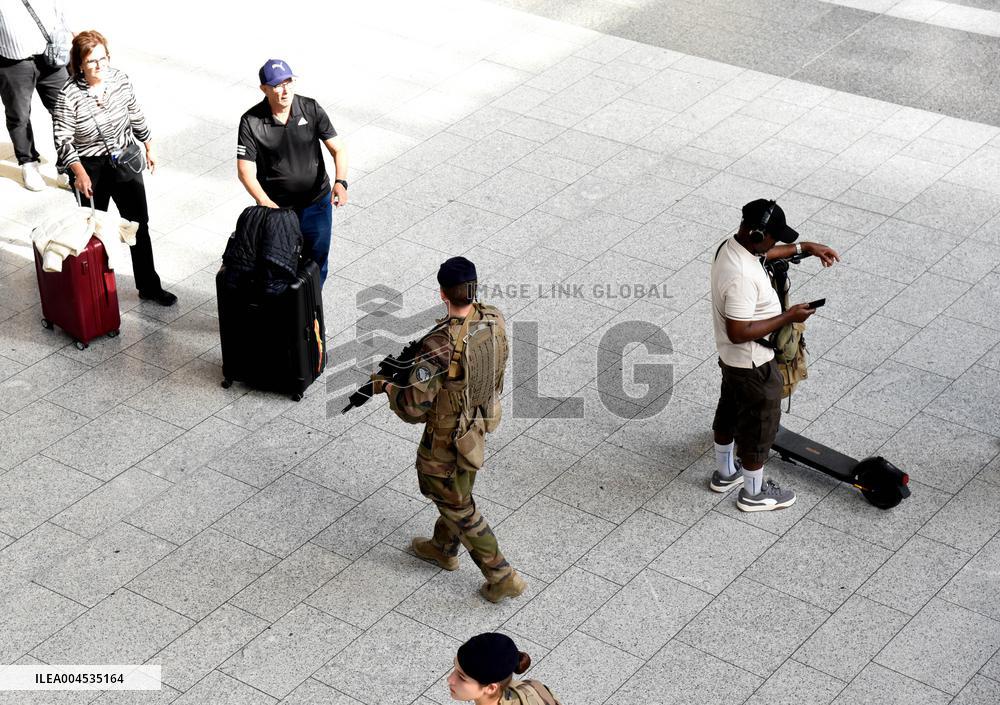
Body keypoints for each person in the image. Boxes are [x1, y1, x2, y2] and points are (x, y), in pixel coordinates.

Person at [377, 256, 525, 603]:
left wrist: (387, 387)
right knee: (456, 491)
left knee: (457, 504)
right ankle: (443, 548)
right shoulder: (493, 318)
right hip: (477, 422)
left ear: (443, 293)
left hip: (446, 438)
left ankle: (502, 576)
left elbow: (412, 408)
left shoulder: (440, 344)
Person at [709, 199, 839, 511]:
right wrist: (789, 316)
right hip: (753, 363)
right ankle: (754, 494)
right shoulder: (741, 276)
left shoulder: (732, 246)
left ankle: (725, 473)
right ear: (756, 234)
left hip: (733, 361)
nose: (775, 243)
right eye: (773, 237)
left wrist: (805, 248)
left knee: (729, 410)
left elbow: (764, 255)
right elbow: (738, 331)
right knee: (760, 426)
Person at [51, 30, 176, 306]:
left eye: (103, 58)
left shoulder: (120, 80)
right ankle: (97, 290)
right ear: (79, 64)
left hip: (124, 159)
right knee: (96, 231)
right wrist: (79, 173)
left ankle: (149, 285)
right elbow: (62, 140)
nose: (99, 65)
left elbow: (135, 113)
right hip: (90, 168)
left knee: (138, 225)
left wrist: (149, 145)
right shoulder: (68, 95)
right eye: (91, 61)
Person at [236, 58, 348, 285]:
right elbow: (244, 170)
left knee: (317, 262)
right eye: (278, 85)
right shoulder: (251, 121)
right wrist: (264, 201)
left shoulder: (310, 108)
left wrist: (341, 182)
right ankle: (287, 305)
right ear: (264, 89)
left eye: (289, 82)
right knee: (279, 263)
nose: (285, 90)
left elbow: (338, 149)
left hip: (317, 204)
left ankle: (313, 304)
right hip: (278, 211)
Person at [0, 0, 71, 191]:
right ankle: (28, 163)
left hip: (52, 56)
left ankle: (66, 165)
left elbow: (60, 13)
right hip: (13, 61)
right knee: (19, 116)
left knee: (66, 111)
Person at [447, 633, 562, 705]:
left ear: (491, 688)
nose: (450, 679)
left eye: (461, 677)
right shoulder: (531, 686)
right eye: (455, 668)